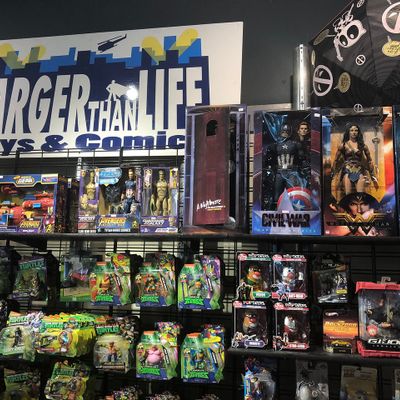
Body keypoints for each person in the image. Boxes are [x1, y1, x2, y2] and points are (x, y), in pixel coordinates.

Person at [263, 122, 305, 209]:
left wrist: (303, 170)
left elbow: (302, 159)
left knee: (293, 195)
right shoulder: (275, 145)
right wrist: (268, 169)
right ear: (280, 131)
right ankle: (276, 211)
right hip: (279, 172)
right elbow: (269, 159)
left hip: (292, 173)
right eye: (283, 131)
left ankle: (294, 211)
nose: (285, 133)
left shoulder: (295, 144)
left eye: (286, 131)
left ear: (290, 132)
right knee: (277, 196)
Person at [331, 124, 378, 195]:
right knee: (348, 194)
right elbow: (335, 161)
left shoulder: (363, 146)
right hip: (347, 170)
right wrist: (333, 175)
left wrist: (373, 177)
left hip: (359, 170)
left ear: (358, 132)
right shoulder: (343, 145)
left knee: (360, 195)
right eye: (352, 130)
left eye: (356, 130)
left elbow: (369, 161)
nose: (354, 132)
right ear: (349, 132)